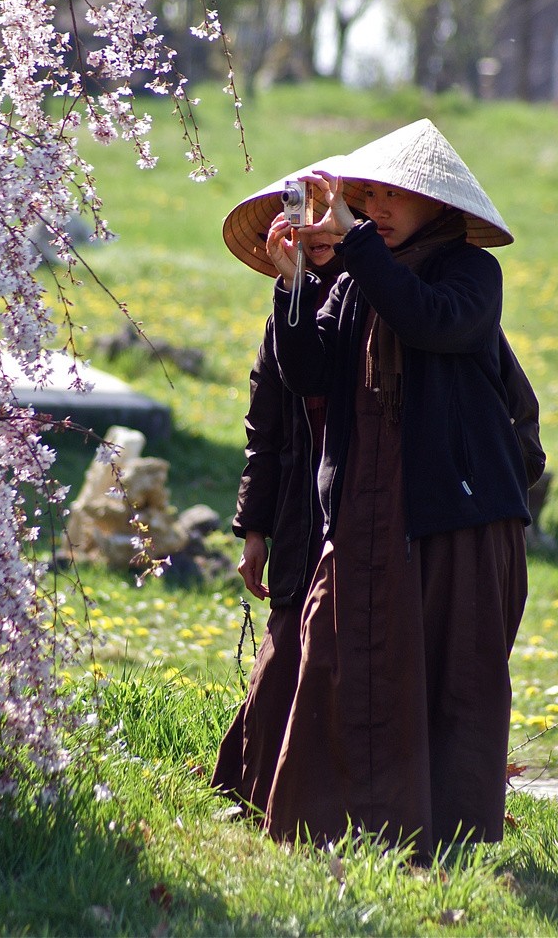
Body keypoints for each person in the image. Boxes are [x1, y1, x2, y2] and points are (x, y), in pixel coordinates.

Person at [261, 119, 541, 855]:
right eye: (367, 195)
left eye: (393, 195)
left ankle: (443, 836)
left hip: (456, 512)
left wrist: (353, 247)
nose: (376, 208)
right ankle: (332, 828)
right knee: (339, 656)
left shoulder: (468, 274)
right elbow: (310, 373)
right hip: (362, 508)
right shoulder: (356, 281)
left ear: (435, 205)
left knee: (453, 671)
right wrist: (292, 286)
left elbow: (429, 323)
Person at [211, 226, 347, 817]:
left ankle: (333, 801)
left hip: (365, 506)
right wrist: (254, 532)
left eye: (329, 222)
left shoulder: (380, 301)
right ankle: (253, 788)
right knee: (284, 650)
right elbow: (263, 436)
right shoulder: (283, 315)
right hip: (301, 511)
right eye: (302, 224)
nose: (314, 236)